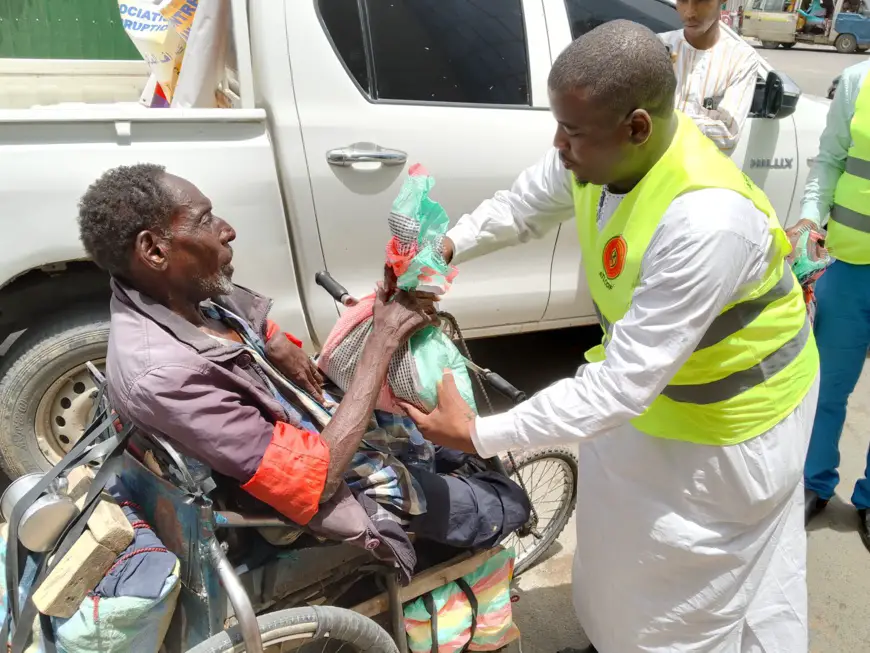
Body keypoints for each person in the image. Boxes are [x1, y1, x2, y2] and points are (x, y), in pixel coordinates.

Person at [401, 20, 820, 653]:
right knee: (623, 557)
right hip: (660, 405)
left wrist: (480, 432)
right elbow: (520, 206)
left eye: (572, 131)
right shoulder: (595, 156)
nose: (558, 144)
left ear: (637, 127)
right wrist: (444, 246)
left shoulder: (706, 221)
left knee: (692, 594)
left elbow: (622, 385)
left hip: (733, 432)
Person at [76, 165, 529, 577]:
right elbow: (317, 480)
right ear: (154, 249)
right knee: (507, 503)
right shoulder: (165, 375)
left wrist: (271, 338)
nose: (227, 230)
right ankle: (432, 558)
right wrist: (381, 341)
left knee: (447, 441)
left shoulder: (172, 292)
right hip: (327, 485)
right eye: (205, 220)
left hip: (317, 425)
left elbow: (240, 315)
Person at [799, 58, 870, 552]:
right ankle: (814, 482)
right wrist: (809, 218)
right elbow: (830, 160)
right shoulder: (857, 81)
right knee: (824, 388)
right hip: (848, 269)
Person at [660, 0, 759, 154]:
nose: (689, 13)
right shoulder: (658, 46)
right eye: (683, 1)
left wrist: (659, 123)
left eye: (701, 1)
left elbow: (727, 137)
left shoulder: (741, 59)